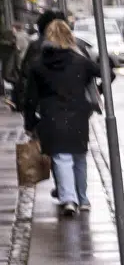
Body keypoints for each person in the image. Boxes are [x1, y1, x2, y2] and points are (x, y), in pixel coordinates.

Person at [22, 19, 101, 218]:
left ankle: (68, 199)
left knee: (61, 158)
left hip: (51, 117)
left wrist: (30, 122)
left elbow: (30, 97)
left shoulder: (38, 65)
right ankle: (82, 199)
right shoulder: (80, 61)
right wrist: (95, 94)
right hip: (78, 114)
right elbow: (105, 73)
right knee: (79, 157)